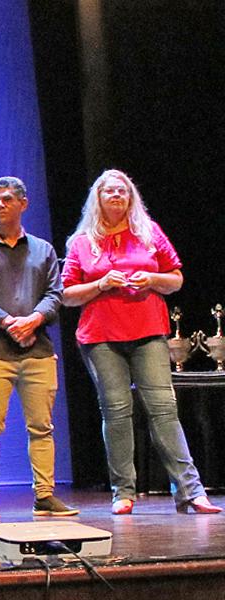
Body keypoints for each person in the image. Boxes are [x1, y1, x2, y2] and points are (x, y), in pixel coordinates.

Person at [61, 169, 219, 515]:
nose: (116, 196)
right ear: (98, 199)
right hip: (102, 337)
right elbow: (68, 294)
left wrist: (153, 278)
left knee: (164, 409)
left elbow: (175, 279)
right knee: (117, 412)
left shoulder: (149, 233)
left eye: (123, 191)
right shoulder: (82, 242)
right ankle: (123, 491)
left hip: (148, 332)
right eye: (109, 192)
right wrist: (101, 284)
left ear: (131, 198)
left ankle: (191, 491)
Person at [0, 176, 77, 519]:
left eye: (7, 199)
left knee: (41, 426)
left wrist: (34, 320)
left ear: (23, 204)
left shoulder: (43, 250)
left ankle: (44, 496)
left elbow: (55, 295)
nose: (0, 205)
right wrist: (9, 322)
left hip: (37, 350)